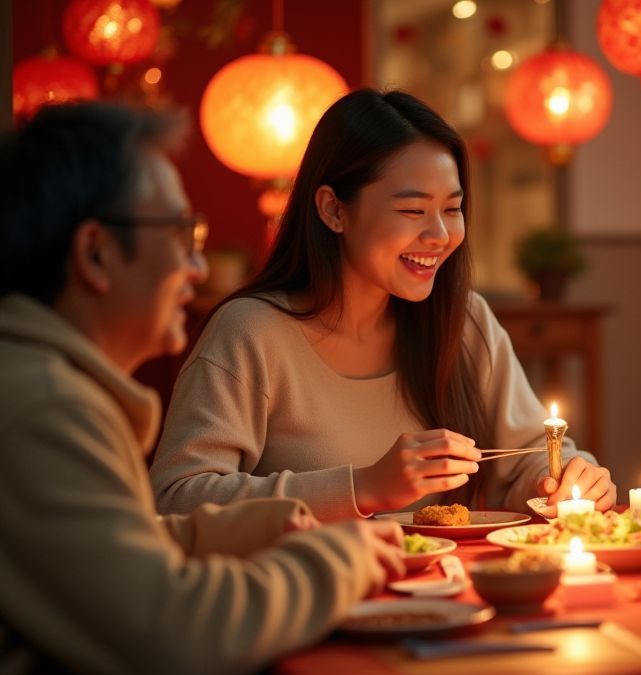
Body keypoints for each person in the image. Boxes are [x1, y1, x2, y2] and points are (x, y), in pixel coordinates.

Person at [0, 102, 407, 673]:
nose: (197, 267)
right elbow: (174, 631)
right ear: (96, 253)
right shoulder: (47, 408)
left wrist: (259, 525)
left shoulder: (47, 385)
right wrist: (337, 560)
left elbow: (121, 549)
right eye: (180, 233)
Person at [150, 89, 614, 521]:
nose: (439, 235)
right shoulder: (251, 332)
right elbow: (175, 499)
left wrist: (565, 478)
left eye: (452, 209)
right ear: (334, 210)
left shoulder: (464, 319)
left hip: (447, 582)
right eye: (412, 211)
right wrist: (363, 487)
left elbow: (529, 457)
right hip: (309, 583)